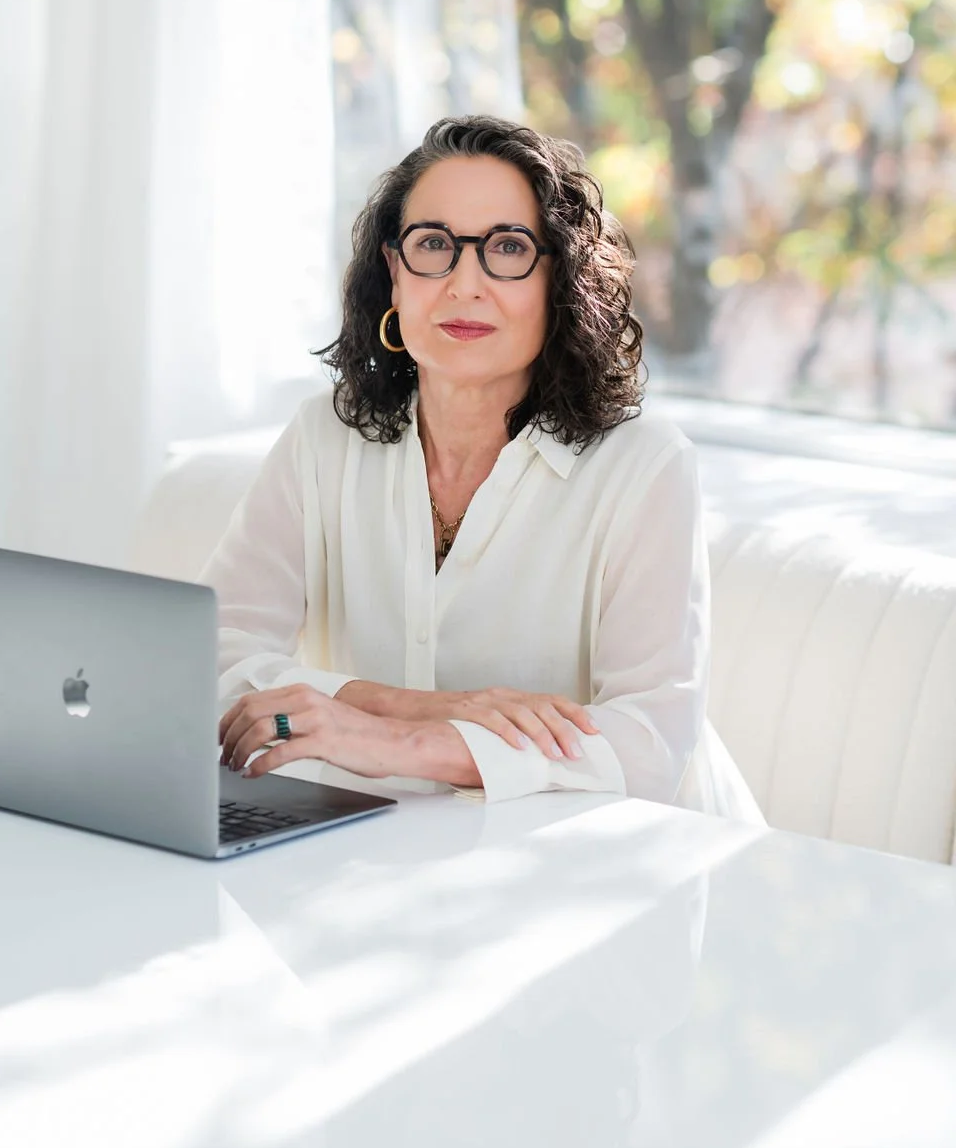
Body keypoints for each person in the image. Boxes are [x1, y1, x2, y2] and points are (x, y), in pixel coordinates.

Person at [210, 115, 763, 820]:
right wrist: (413, 707)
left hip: (644, 871)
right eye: (433, 245)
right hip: (397, 851)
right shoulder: (324, 437)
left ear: (557, 280)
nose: (464, 284)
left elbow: (649, 745)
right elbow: (212, 654)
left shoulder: (645, 465)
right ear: (394, 273)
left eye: (507, 248)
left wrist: (402, 743)